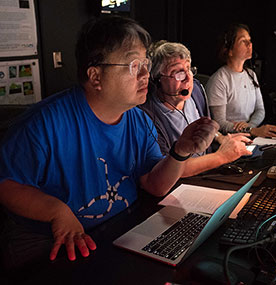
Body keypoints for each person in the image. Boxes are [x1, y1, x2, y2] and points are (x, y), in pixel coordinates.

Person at [0, 15, 218, 268]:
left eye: (146, 63)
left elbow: (155, 184)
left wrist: (180, 151)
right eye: (134, 65)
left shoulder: (139, 120)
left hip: (118, 231)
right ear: (95, 76)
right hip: (52, 243)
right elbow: (7, 184)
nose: (146, 74)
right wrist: (56, 211)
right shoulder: (43, 123)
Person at [139, 41, 252, 177]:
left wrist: (221, 138)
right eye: (178, 73)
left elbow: (201, 125)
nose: (188, 79)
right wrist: (222, 156)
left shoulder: (196, 91)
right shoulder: (146, 114)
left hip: (206, 175)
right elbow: (166, 170)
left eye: (189, 69)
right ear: (157, 79)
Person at [206, 23, 276, 138]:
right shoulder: (219, 80)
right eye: (243, 41)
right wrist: (250, 130)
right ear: (229, 51)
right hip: (230, 140)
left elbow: (260, 109)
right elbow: (219, 123)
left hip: (250, 133)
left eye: (249, 40)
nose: (250, 44)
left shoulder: (251, 74)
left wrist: (250, 127)